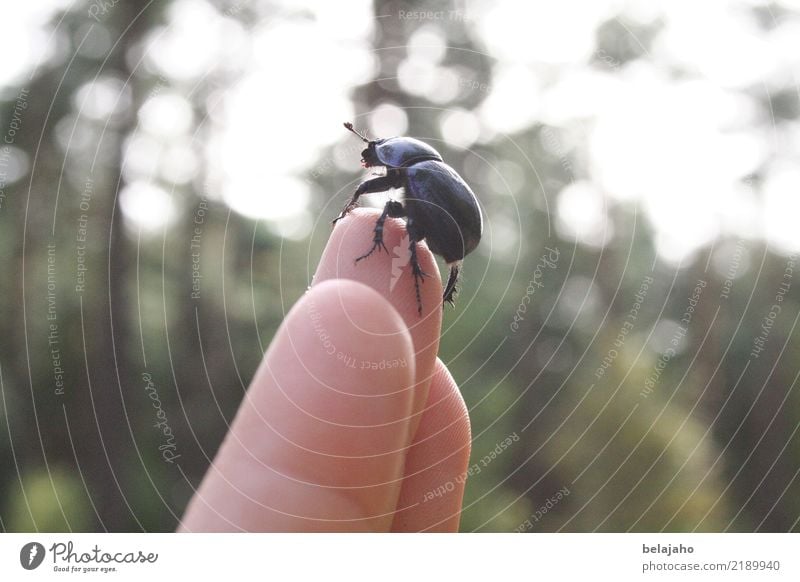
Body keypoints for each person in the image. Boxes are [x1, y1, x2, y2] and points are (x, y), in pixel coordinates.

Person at [179, 208, 471, 532]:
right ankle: (433, 283)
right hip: (454, 232)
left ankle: (423, 283)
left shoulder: (415, 183)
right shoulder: (419, 181)